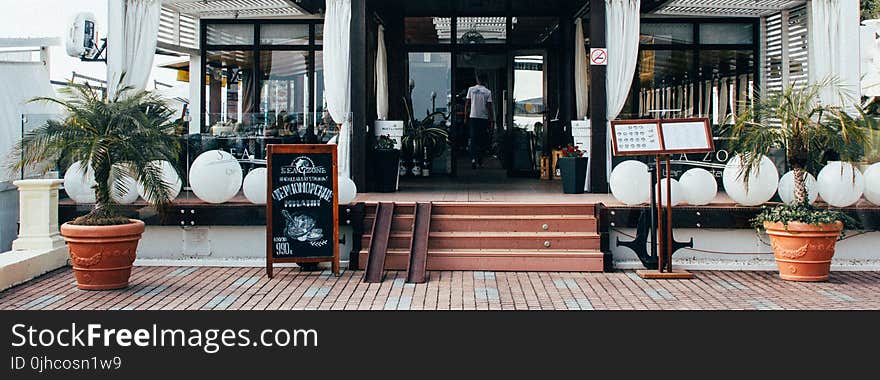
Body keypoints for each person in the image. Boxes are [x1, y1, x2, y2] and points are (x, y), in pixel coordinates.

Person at [464, 72, 494, 169]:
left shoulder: (471, 90)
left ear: (477, 79)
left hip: (473, 117)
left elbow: (467, 104)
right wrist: (491, 119)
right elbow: (489, 107)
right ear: (485, 81)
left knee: (473, 139)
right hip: (483, 118)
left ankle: (473, 158)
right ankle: (480, 157)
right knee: (482, 139)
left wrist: (465, 116)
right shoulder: (487, 92)